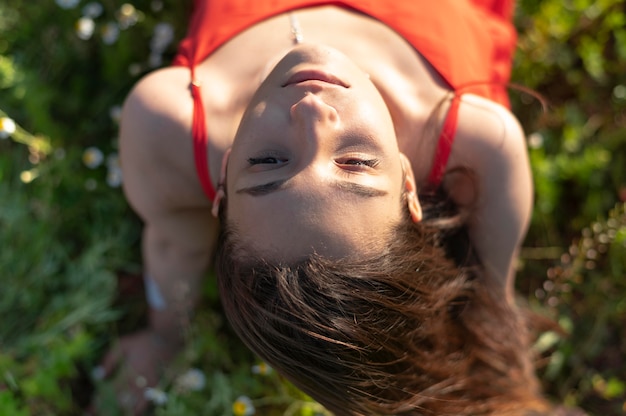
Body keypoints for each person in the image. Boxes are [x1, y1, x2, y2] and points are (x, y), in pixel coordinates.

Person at [97, 0, 555, 414]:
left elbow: (174, 243)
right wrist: (516, 393)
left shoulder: (169, 122)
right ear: (409, 185)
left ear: (222, 181)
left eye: (269, 162)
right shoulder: (478, 142)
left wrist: (165, 337)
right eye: (354, 163)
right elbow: (494, 301)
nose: (312, 114)